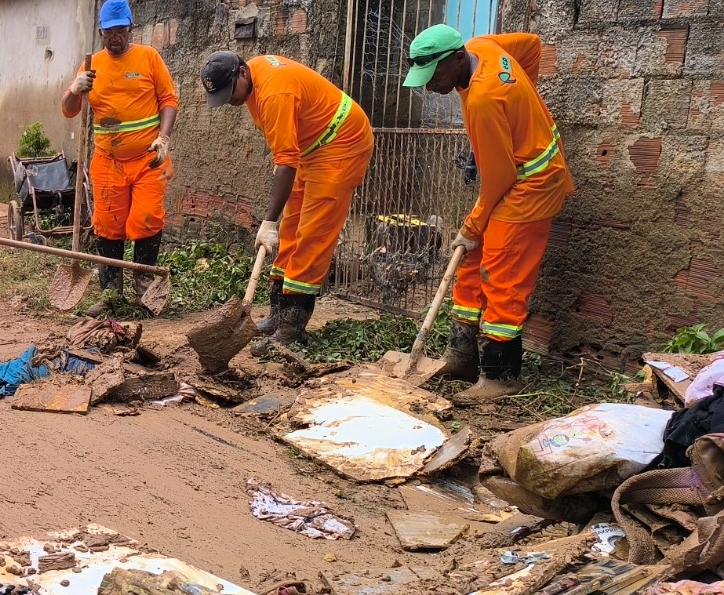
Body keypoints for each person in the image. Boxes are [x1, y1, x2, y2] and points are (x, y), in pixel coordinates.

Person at [402, 24, 573, 403]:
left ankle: (500, 376)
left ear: (458, 58)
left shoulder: (483, 99)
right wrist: (519, 107)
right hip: (513, 177)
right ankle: (462, 356)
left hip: (532, 183)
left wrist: (472, 223)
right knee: (471, 261)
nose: (430, 87)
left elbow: (498, 180)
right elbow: (531, 45)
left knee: (502, 273)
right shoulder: (483, 46)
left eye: (436, 76)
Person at [200, 51, 375, 346]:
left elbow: (285, 163)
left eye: (230, 93)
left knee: (312, 235)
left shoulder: (274, 93)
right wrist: (276, 222)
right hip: (310, 148)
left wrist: (267, 221)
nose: (230, 101)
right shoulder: (253, 81)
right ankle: (277, 315)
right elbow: (285, 151)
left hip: (341, 143)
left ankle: (292, 330)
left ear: (242, 73)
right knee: (290, 227)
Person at [60, 0, 178, 309]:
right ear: (100, 32)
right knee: (108, 224)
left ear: (130, 29)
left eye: (121, 30)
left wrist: (163, 138)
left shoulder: (149, 58)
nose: (115, 37)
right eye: (109, 31)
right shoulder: (91, 65)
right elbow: (69, 110)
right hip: (108, 162)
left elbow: (168, 100)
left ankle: (145, 289)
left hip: (149, 159)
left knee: (147, 218)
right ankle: (110, 294)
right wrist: (75, 89)